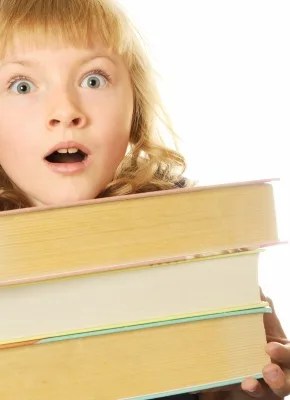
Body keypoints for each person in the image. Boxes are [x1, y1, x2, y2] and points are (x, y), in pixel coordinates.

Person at [0, 0, 289, 398]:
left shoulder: (188, 249)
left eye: (93, 80)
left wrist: (237, 386)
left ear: (134, 109)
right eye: (22, 85)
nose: (65, 112)